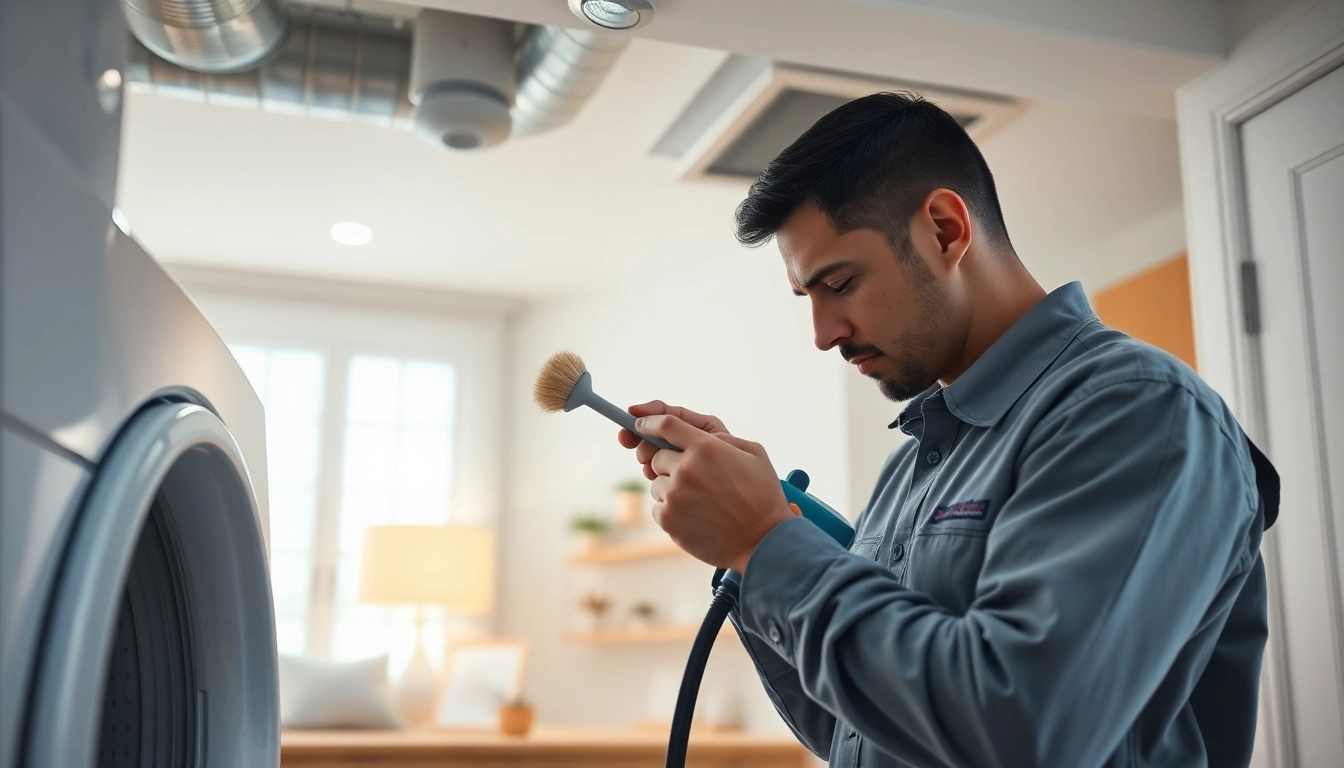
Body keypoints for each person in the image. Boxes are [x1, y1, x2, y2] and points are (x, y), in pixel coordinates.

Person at [617, 92, 1279, 768]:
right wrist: (750, 549)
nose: (822, 335)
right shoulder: (911, 468)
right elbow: (865, 732)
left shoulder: (1138, 411)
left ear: (943, 230)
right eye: (807, 299)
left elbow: (1023, 730)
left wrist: (767, 545)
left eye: (839, 283)